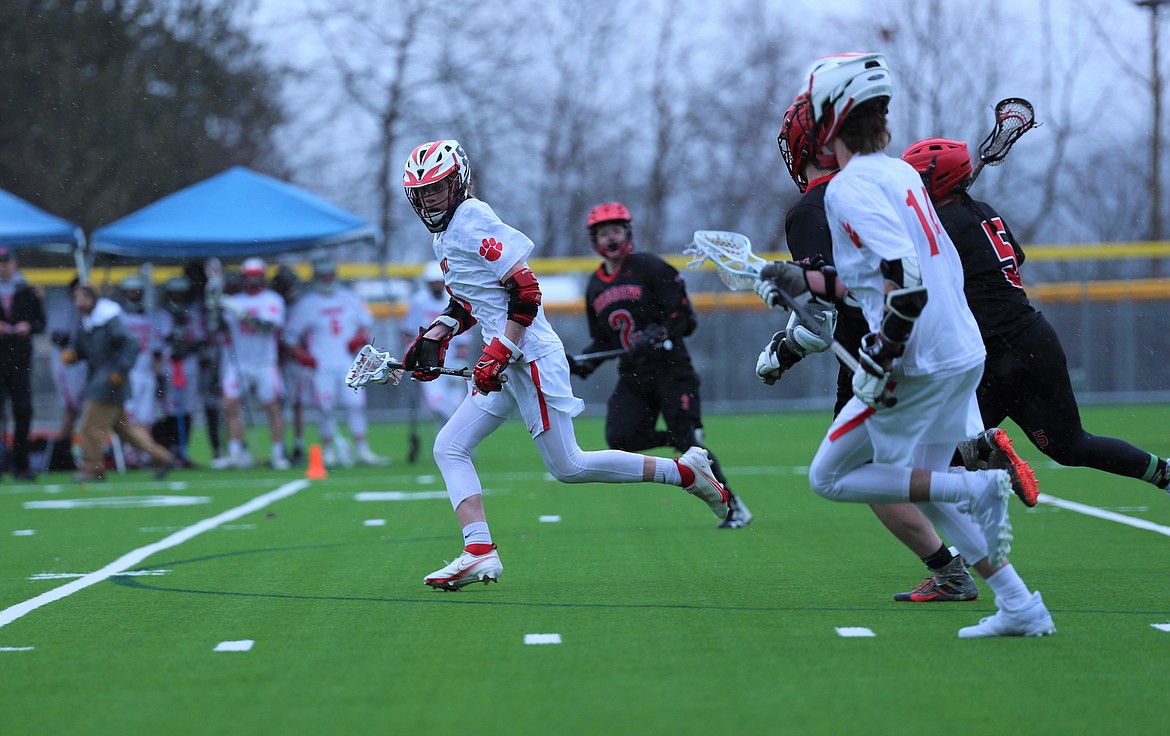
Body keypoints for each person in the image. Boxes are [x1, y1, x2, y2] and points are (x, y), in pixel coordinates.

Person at [754, 53, 1054, 637]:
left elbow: (904, 286)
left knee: (832, 476)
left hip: (919, 362)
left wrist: (880, 359)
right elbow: (882, 278)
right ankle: (1019, 605)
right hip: (959, 349)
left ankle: (977, 482)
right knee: (921, 484)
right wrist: (803, 281)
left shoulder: (847, 191)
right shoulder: (897, 173)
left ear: (830, 118)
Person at [401, 138, 731, 590]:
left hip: (528, 355)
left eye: (438, 188)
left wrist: (501, 350)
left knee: (568, 466)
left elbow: (526, 292)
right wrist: (436, 334)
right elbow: (471, 298)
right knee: (449, 447)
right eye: (423, 193)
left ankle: (687, 472)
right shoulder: (447, 231)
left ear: (460, 182)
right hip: (508, 358)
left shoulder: (471, 220)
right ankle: (478, 549)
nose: (431, 198)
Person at [756, 93, 980, 602]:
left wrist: (783, 350)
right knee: (915, 466)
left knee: (861, 472)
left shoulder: (823, 202)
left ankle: (952, 559)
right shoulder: (887, 178)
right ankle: (973, 471)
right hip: (941, 339)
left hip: (878, 354)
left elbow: (826, 312)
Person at [902, 137, 1170, 492]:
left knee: (933, 451)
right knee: (1071, 445)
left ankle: (984, 465)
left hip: (997, 353)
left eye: (918, 178)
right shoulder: (982, 210)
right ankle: (1163, 473)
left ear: (938, 180)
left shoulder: (941, 225)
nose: (911, 187)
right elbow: (1013, 257)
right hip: (1030, 341)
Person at [569, 201, 752, 529]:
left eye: (616, 230)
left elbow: (686, 317)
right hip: (633, 376)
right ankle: (675, 437)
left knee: (690, 440)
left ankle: (733, 504)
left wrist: (660, 331)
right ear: (593, 238)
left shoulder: (651, 268)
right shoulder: (595, 285)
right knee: (620, 437)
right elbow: (604, 342)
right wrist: (576, 363)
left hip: (671, 369)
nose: (611, 238)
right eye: (603, 232)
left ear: (628, 232)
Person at [63, 283, 174, 482]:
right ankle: (162, 457)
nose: (78, 303)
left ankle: (92, 468)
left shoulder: (108, 319)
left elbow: (131, 343)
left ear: (93, 300)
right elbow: (84, 349)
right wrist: (73, 355)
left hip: (109, 382)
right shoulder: (86, 321)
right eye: (76, 299)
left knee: (90, 426)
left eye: (82, 298)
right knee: (125, 429)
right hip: (100, 380)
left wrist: (120, 370)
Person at [285, 256, 388, 468]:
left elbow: (365, 324)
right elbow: (290, 336)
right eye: (322, 275)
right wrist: (302, 354)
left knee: (356, 404)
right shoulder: (307, 304)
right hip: (321, 364)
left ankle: (362, 448)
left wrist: (360, 338)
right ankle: (329, 449)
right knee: (325, 407)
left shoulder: (349, 298)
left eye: (329, 274)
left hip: (349, 363)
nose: (326, 279)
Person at [210, 257, 290, 470]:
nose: (253, 281)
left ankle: (278, 453)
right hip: (238, 361)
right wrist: (216, 305)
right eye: (249, 277)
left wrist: (240, 313)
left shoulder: (272, 300)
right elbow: (216, 327)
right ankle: (236, 452)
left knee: (271, 407)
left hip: (265, 362)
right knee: (230, 405)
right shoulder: (235, 299)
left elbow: (265, 326)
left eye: (256, 277)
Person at [400, 260, 475, 432]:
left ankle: (451, 443)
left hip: (452, 358)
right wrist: (412, 352)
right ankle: (457, 436)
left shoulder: (453, 300)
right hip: (428, 360)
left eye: (439, 282)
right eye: (433, 283)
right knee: (437, 406)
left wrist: (461, 356)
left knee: (457, 406)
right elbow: (408, 330)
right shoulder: (419, 301)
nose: (436, 286)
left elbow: (465, 331)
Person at [0, 246, 46, 481]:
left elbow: (40, 322)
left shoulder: (26, 289)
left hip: (19, 359)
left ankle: (21, 465)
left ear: (13, 263)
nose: (2, 266)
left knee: (23, 411)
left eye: (5, 262)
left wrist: (28, 326)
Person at [118, 275, 172, 468]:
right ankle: (129, 454)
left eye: (136, 292)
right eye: (130, 292)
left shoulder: (151, 318)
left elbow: (157, 350)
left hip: (146, 374)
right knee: (129, 419)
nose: (133, 296)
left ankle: (146, 454)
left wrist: (159, 375)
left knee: (145, 419)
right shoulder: (119, 317)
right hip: (128, 374)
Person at [45, 276, 87, 471]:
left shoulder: (90, 309)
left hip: (82, 363)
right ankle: (62, 452)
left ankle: (80, 451)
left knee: (84, 407)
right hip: (66, 363)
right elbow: (56, 335)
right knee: (72, 406)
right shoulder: (63, 306)